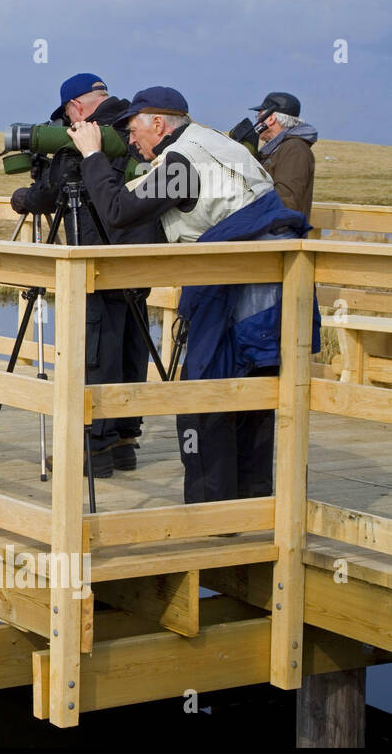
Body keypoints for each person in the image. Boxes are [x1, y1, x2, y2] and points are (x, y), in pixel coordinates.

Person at [66, 86, 316, 504]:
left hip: (234, 289)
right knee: (255, 393)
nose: (130, 141)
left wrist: (92, 156)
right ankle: (254, 505)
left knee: (205, 399)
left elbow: (118, 212)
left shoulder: (182, 163)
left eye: (133, 131)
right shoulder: (216, 143)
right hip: (274, 280)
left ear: (159, 124)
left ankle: (210, 515)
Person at [11, 74, 163, 476]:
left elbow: (51, 192)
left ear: (75, 108)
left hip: (98, 256)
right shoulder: (135, 127)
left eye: (66, 116)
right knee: (133, 344)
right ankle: (124, 443)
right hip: (141, 260)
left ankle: (91, 451)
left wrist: (25, 197)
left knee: (96, 350)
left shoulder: (85, 137)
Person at [251, 92, 317, 220]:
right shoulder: (273, 149)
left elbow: (287, 200)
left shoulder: (295, 149)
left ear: (270, 118)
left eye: (259, 115)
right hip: (267, 226)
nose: (257, 120)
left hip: (280, 231)